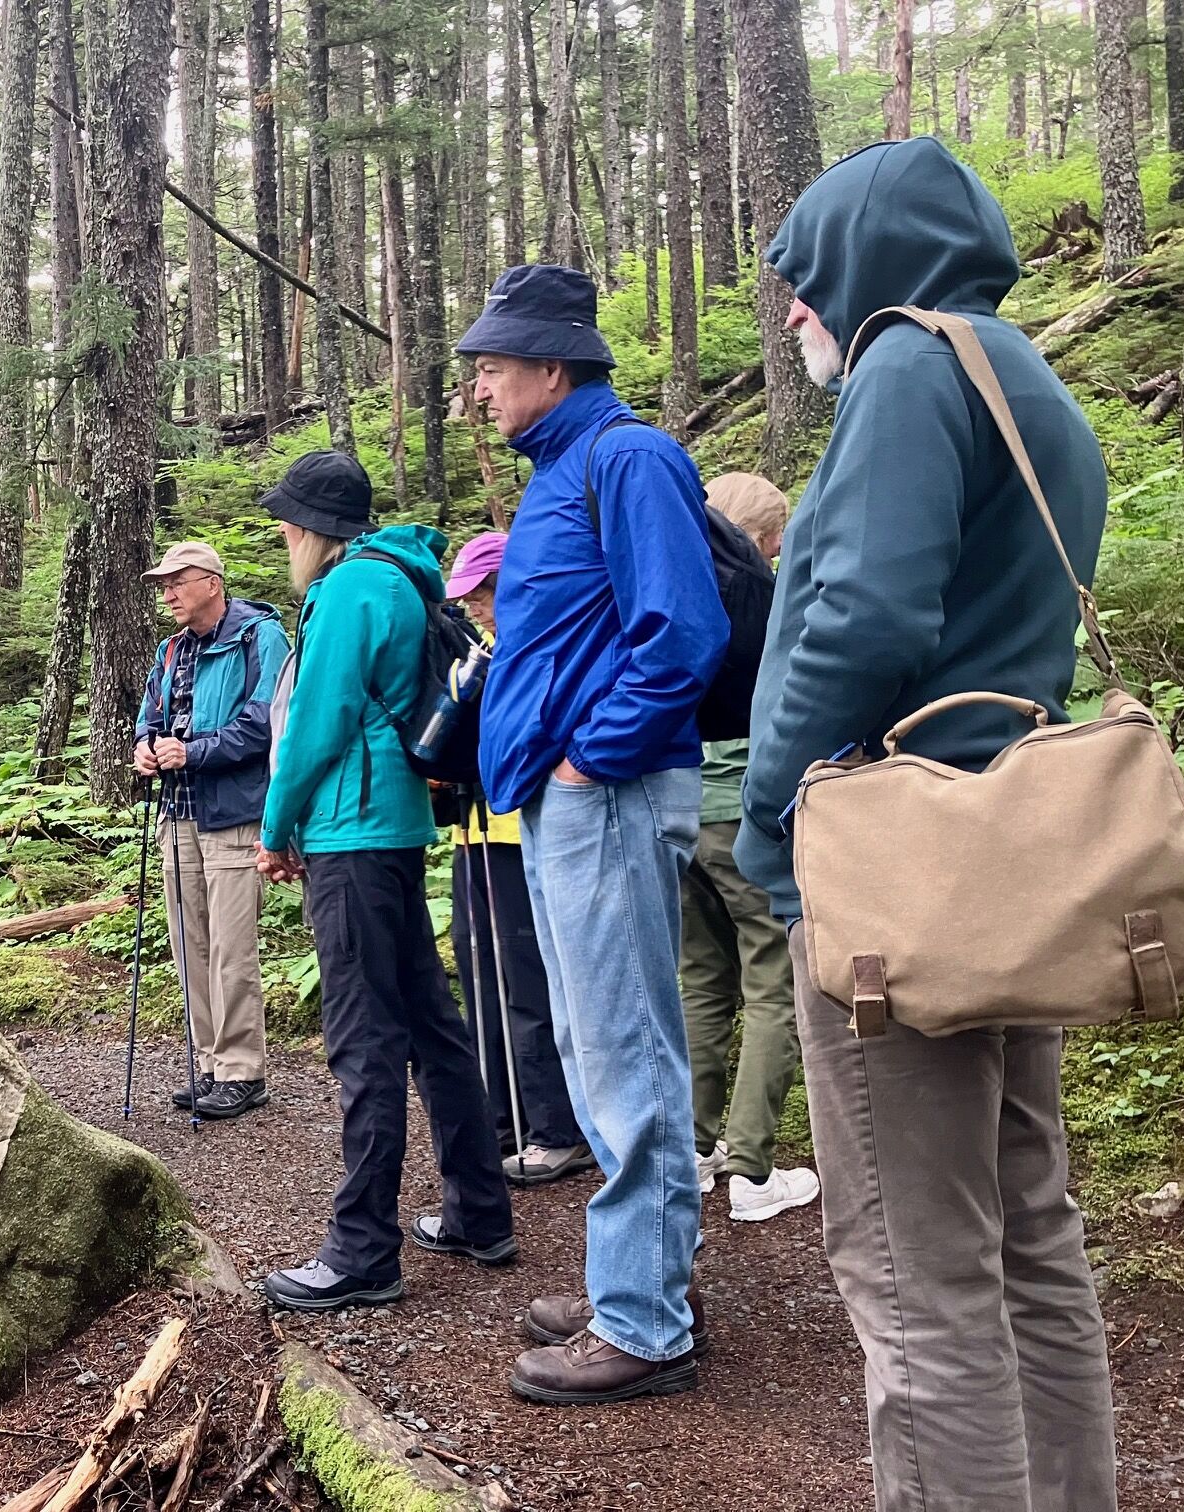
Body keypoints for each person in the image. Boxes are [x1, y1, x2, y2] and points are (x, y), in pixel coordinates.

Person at [736, 137, 1116, 1509]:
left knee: (916, 1270)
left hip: (896, 873)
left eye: (805, 274)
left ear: (866, 259)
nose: (796, 308)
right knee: (1028, 1238)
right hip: (1005, 859)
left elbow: (867, 617)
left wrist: (774, 799)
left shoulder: (906, 365)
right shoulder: (1021, 372)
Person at [459, 264, 728, 1406]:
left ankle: (644, 1324)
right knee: (590, 1045)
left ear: (553, 368)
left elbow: (683, 634)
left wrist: (590, 758)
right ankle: (646, 1277)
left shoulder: (629, 459)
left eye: (492, 369)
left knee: (626, 1053)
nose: (478, 390)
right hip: (565, 799)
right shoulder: (565, 470)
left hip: (606, 793)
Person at [252, 450, 516, 1313]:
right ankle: (479, 1213)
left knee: (364, 1039)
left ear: (313, 528)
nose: (285, 538)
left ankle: (363, 1250)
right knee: (434, 1028)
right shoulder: (401, 578)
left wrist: (276, 829)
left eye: (288, 525)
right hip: (394, 824)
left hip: (351, 833)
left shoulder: (349, 590)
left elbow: (317, 722)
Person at [680, 475, 821, 1224]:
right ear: (763, 537)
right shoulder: (763, 595)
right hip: (745, 813)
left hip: (679, 811)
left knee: (701, 980)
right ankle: (752, 1170)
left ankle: (693, 1149)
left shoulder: (671, 585)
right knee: (774, 981)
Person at [441, 532, 592, 1186]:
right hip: (473, 834)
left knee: (526, 983)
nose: (472, 605)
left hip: (522, 834)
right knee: (480, 979)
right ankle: (498, 1121)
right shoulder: (485, 651)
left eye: (481, 592)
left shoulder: (546, 643)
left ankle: (557, 1128)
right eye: (467, 596)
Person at [132, 541, 293, 1120]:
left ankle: (242, 1070)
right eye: (164, 585)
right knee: (190, 944)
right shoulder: (171, 648)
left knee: (230, 947)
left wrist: (193, 752)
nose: (168, 594)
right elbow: (150, 717)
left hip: (234, 813)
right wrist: (146, 748)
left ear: (212, 583)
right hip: (177, 813)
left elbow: (266, 721)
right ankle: (208, 1063)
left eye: (178, 581)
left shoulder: (259, 637)